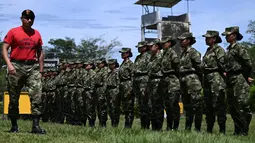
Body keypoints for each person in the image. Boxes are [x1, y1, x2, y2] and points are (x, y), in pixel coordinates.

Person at [2, 9, 46, 134]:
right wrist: (9, 65)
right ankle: (14, 125)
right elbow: (4, 49)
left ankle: (36, 126)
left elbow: (40, 52)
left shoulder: (36, 33)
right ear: (22, 19)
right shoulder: (13, 32)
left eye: (32, 18)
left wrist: (41, 70)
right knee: (14, 97)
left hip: (32, 67)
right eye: (27, 18)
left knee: (37, 95)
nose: (30, 20)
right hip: (16, 66)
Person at [222, 26, 252, 136]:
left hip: (238, 79)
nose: (226, 37)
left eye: (228, 35)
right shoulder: (229, 50)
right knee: (233, 106)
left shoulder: (240, 48)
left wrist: (245, 76)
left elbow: (248, 64)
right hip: (230, 79)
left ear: (234, 35)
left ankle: (244, 131)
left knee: (242, 106)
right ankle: (237, 130)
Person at [202, 30, 227, 134]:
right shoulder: (208, 50)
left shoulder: (219, 50)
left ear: (214, 39)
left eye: (208, 38)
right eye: (206, 37)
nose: (206, 39)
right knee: (208, 106)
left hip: (216, 79)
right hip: (207, 79)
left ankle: (222, 130)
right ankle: (209, 129)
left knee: (218, 104)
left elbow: (223, 65)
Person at [178, 32, 203, 132]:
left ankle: (197, 129)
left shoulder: (193, 52)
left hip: (193, 81)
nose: (180, 42)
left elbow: (200, 67)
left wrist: (198, 79)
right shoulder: (183, 53)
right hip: (184, 81)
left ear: (188, 41)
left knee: (196, 106)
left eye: (182, 40)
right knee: (187, 106)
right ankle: (188, 128)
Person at [159, 36, 181, 131]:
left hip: (173, 82)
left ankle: (175, 127)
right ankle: (169, 126)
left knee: (173, 105)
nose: (163, 45)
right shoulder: (164, 54)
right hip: (165, 82)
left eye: (165, 43)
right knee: (167, 106)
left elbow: (178, 66)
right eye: (162, 43)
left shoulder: (172, 53)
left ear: (170, 43)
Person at [133, 41, 151, 129]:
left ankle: (147, 125)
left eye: (141, 47)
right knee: (140, 105)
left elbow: (149, 70)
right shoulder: (137, 57)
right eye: (138, 47)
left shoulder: (148, 56)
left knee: (146, 104)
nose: (139, 48)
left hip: (144, 81)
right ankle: (143, 125)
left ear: (145, 47)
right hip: (137, 82)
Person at [147, 39, 164, 131]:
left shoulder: (161, 56)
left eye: (151, 46)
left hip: (158, 81)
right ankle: (154, 127)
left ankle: (159, 127)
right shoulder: (151, 57)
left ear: (157, 46)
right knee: (152, 105)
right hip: (151, 82)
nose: (149, 48)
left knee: (158, 105)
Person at [119, 47, 135, 128]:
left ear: (128, 53)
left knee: (129, 106)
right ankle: (126, 123)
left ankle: (128, 125)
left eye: (124, 53)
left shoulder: (130, 64)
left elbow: (132, 76)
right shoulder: (122, 63)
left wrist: (131, 88)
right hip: (122, 86)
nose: (122, 54)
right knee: (125, 106)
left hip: (128, 85)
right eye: (121, 53)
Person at [106, 59, 121, 127]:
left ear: (114, 64)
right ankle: (113, 122)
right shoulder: (109, 73)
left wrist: (117, 92)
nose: (109, 66)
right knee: (110, 108)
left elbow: (118, 83)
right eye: (108, 64)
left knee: (115, 108)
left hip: (114, 90)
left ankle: (115, 124)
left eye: (111, 64)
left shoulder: (117, 72)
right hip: (109, 91)